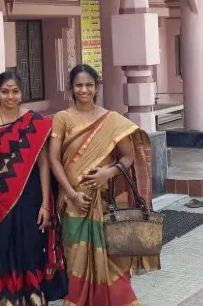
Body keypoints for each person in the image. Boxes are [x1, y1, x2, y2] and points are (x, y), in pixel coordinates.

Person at [48, 64, 160, 306]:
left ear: (96, 87)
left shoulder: (111, 119)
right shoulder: (62, 118)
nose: (84, 90)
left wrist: (108, 173)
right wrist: (72, 194)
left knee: (112, 258)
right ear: (71, 88)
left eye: (89, 85)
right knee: (76, 257)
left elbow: (128, 156)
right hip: (74, 202)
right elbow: (53, 159)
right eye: (78, 85)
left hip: (106, 201)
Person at [0, 72, 67, 305]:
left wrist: (45, 204)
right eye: (5, 91)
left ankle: (33, 296)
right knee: (0, 249)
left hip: (30, 196)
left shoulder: (34, 122)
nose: (10, 96)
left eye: (15, 91)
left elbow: (43, 164)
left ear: (22, 93)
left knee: (30, 246)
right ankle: (3, 299)